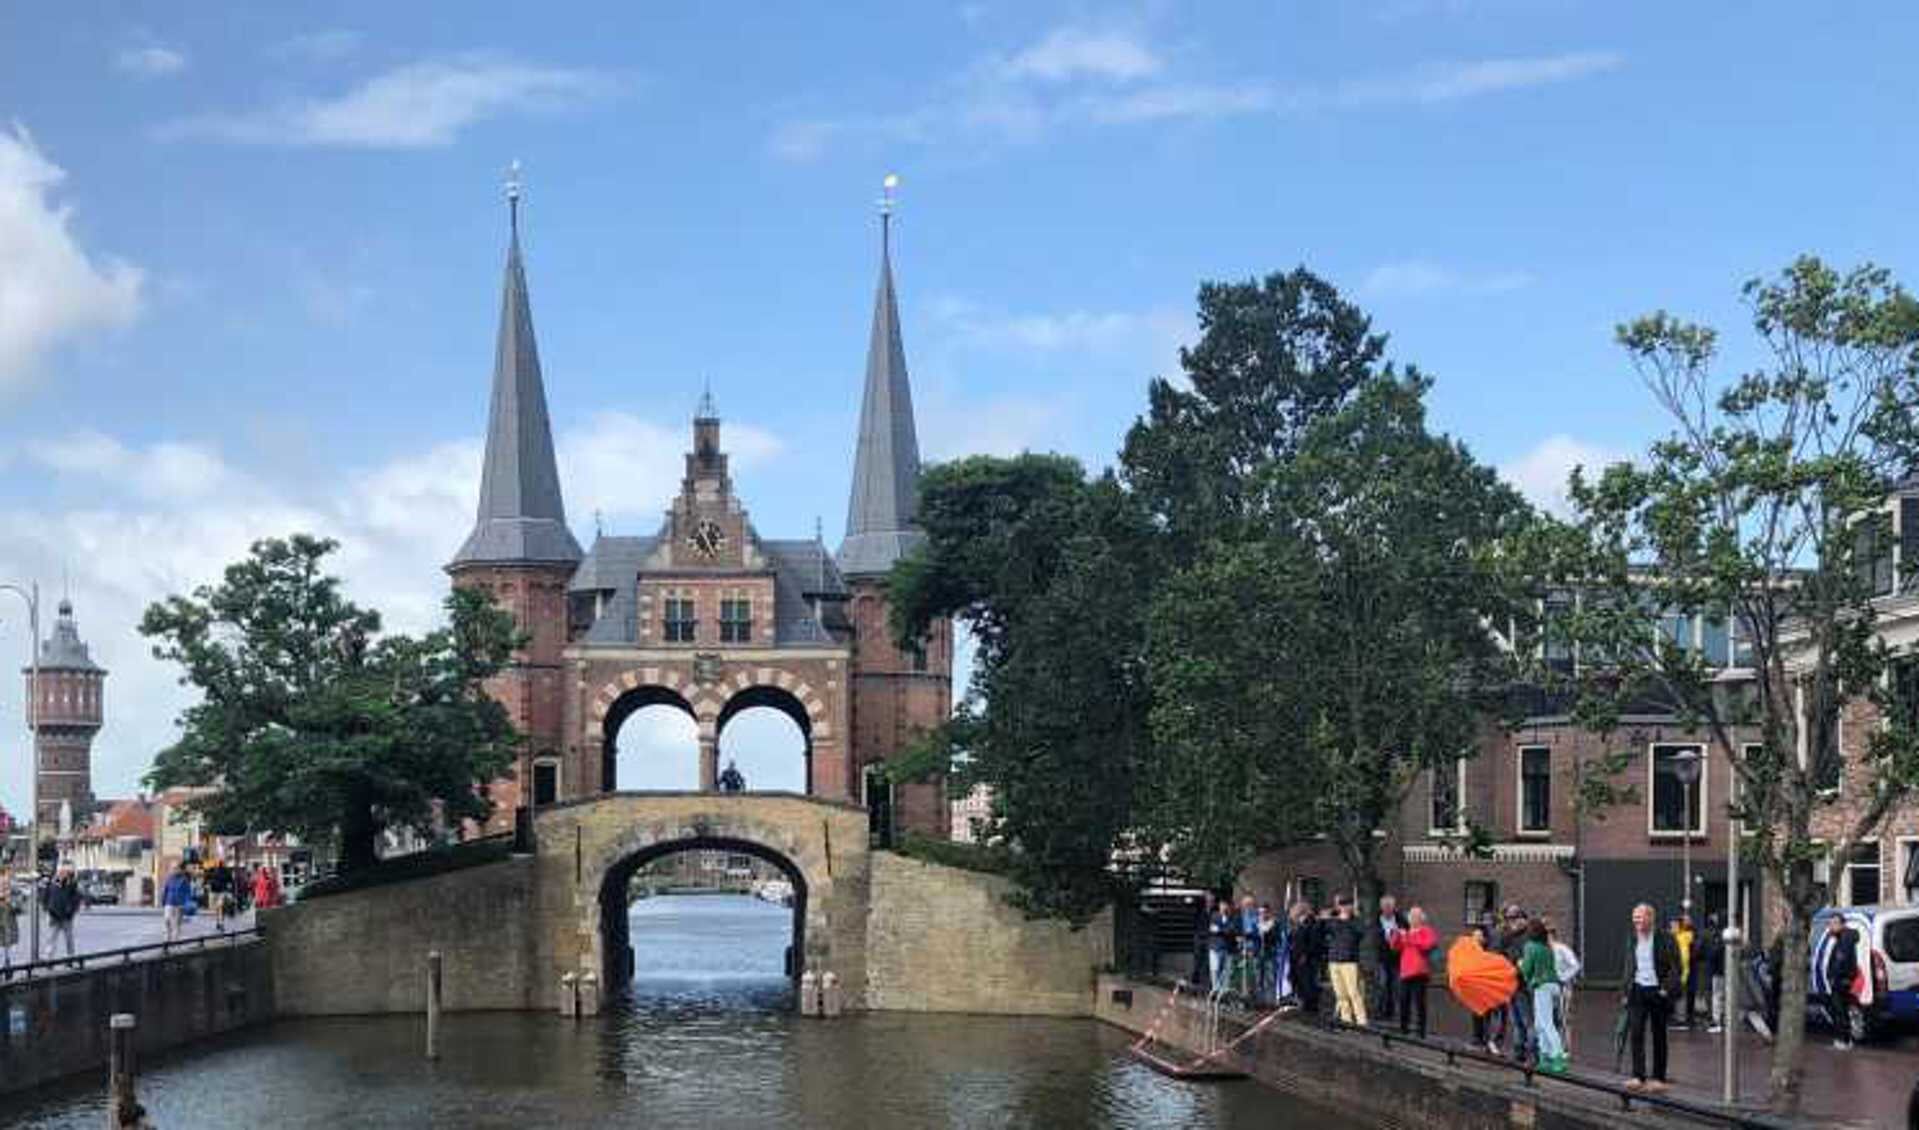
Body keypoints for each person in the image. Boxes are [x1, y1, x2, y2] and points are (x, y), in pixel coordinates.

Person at [1621, 902, 1682, 1093]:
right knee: (1636, 1033)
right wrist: (1625, 990)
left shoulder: (1666, 938)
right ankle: (1638, 1075)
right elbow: (1629, 964)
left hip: (1658, 991)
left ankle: (1658, 1077)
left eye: (1639, 917)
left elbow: (1676, 966)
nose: (1635, 921)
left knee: (1659, 1034)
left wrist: (1666, 989)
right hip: (1638, 990)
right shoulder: (1632, 938)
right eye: (1634, 918)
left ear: (1650, 918)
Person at [1520, 919, 1567, 1074]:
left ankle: (1558, 1058)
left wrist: (1520, 965)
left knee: (1546, 1024)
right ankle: (1545, 1057)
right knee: (1541, 1023)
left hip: (1542, 986)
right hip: (1554, 986)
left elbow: (1527, 969)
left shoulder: (1530, 947)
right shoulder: (1547, 947)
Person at [1811, 912, 1861, 1051]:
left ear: (1842, 924)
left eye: (1833, 924)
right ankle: (1846, 1040)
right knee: (1842, 1010)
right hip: (1844, 980)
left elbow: (1841, 959)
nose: (1830, 927)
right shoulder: (1845, 937)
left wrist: (1834, 977)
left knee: (1839, 1011)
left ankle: (1842, 1041)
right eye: (1830, 923)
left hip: (1841, 981)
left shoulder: (1844, 939)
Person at [1389, 905, 1437, 1037]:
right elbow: (1396, 948)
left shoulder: (1426, 931)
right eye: (1412, 916)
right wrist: (1396, 935)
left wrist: (1409, 938)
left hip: (1420, 972)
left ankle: (1421, 1031)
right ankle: (1403, 1029)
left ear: (1422, 918)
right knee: (1404, 1000)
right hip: (1405, 972)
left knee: (1419, 1002)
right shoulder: (1407, 931)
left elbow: (1427, 946)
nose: (1414, 918)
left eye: (1417, 916)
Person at [1326, 893, 1370, 1026]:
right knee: (1340, 994)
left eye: (1346, 905)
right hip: (1334, 960)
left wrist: (1348, 918)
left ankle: (1362, 1021)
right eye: (1341, 905)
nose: (1344, 908)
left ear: (1351, 906)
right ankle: (1346, 1019)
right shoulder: (1333, 922)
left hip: (1349, 961)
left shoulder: (1356, 922)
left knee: (1354, 992)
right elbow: (1324, 930)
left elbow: (1360, 933)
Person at [1499, 906, 1534, 1060]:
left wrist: (1515, 966)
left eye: (1515, 918)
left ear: (1523, 918)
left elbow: (1525, 960)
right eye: (1509, 918)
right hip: (1511, 984)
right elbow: (1500, 954)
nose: (1512, 921)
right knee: (1516, 1020)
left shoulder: (1528, 937)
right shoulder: (1508, 937)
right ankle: (1519, 1050)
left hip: (1523, 984)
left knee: (1527, 1020)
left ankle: (1532, 1051)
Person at [1547, 922, 1582, 1051]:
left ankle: (1565, 1048)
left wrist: (1563, 978)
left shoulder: (1562, 949)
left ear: (1552, 935)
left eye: (1547, 934)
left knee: (1563, 1018)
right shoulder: (1543, 950)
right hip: (1548, 989)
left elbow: (1576, 965)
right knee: (1550, 1018)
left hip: (1563, 988)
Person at [1374, 894, 1407, 1024]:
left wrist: (1400, 935)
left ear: (1394, 907)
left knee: (1396, 985)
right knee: (1382, 985)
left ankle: (1395, 1013)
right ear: (1381, 907)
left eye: (1390, 906)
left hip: (1397, 958)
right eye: (1385, 906)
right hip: (1382, 957)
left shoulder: (1401, 919)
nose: (1387, 909)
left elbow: (1407, 933)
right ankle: (1381, 1011)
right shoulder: (1376, 919)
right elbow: (1374, 936)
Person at [1288, 900, 1325, 1016]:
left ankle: (1311, 1009)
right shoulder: (1297, 925)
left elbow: (1314, 942)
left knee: (1308, 984)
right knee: (1298, 983)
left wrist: (1306, 954)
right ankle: (1303, 1005)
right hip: (1296, 957)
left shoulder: (1312, 923)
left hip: (1307, 959)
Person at [42, 866, 82, 962]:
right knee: (51, 938)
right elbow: (46, 897)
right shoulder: (52, 884)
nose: (62, 875)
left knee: (68, 938)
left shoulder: (72, 885)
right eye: (61, 873)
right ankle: (48, 958)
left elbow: (76, 900)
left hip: (66, 916)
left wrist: (71, 911)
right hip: (54, 915)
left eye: (65, 873)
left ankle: (70, 957)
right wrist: (48, 909)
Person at [1252, 902, 1284, 1005]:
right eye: (1260, 913)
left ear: (1269, 913)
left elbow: (1278, 939)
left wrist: (1268, 933)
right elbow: (1252, 938)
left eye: (1264, 912)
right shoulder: (1255, 924)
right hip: (1258, 954)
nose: (1262, 915)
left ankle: (1271, 1001)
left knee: (1270, 978)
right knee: (1258, 978)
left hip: (1270, 954)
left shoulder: (1275, 924)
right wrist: (1258, 934)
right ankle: (1259, 1001)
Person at [1700, 912, 1726, 1034]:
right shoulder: (1721, 934)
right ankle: (1719, 1020)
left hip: (1715, 969)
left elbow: (1707, 951)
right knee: (1719, 995)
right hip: (1722, 969)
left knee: (1716, 995)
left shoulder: (1713, 935)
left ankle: (1717, 1021)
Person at [1670, 916, 1696, 1030]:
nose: (1672, 928)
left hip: (1681, 972)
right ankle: (1680, 1018)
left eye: (1674, 926)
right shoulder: (1678, 937)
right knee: (1679, 995)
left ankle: (1681, 1020)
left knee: (1680, 995)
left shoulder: (1683, 936)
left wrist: (1688, 924)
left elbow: (1683, 957)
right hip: (1679, 971)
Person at [1207, 899, 1237, 991]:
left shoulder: (1232, 918)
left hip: (1227, 949)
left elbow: (1231, 931)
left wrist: (1220, 930)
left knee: (1226, 972)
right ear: (1220, 906)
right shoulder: (1214, 916)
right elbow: (1212, 929)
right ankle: (1215, 990)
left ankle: (1224, 992)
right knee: (1215, 970)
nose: (1224, 907)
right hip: (1215, 948)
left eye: (1226, 905)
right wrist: (1223, 931)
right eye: (1222, 905)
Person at [161, 863, 195, 943]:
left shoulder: (184, 880)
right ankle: (167, 939)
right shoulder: (169, 879)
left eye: (176, 868)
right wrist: (163, 901)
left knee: (177, 924)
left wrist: (186, 903)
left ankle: (175, 941)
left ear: (180, 870)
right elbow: (165, 890)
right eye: (173, 868)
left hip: (179, 904)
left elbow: (188, 892)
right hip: (169, 902)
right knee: (167, 920)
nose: (174, 870)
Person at [206, 859, 235, 933]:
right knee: (217, 908)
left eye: (220, 862)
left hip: (221, 892)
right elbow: (207, 878)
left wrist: (230, 888)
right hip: (214, 892)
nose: (220, 864)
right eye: (219, 862)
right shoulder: (213, 870)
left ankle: (221, 923)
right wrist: (207, 884)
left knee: (220, 907)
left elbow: (231, 881)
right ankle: (218, 921)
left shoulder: (225, 871)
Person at [0, 868, 19, 972]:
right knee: (6, 936)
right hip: (6, 908)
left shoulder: (9, 880)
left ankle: (7, 961)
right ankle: (7, 962)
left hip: (7, 908)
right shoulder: (7, 880)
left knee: (6, 936)